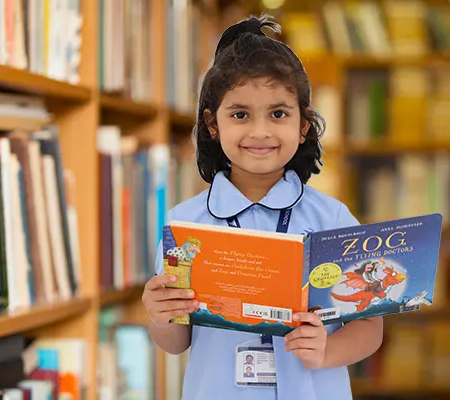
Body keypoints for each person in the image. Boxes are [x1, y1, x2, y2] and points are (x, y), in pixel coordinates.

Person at [141, 14, 383, 400]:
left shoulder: (332, 218)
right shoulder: (184, 224)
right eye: (240, 114)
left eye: (278, 114)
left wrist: (327, 351)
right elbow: (176, 341)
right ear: (212, 124)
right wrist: (159, 314)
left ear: (303, 124)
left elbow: (370, 326)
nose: (260, 132)